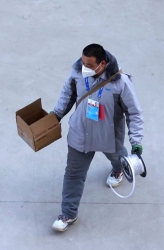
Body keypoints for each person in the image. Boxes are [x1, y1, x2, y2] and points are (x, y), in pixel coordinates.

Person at [48, 43, 144, 232]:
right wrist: (56, 114)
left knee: (117, 155)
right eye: (83, 62)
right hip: (80, 134)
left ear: (102, 64)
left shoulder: (120, 82)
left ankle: (119, 169)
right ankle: (68, 214)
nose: (84, 67)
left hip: (108, 135)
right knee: (73, 174)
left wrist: (136, 142)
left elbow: (134, 112)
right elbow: (68, 93)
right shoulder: (77, 72)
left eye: (89, 65)